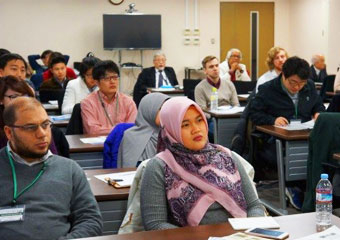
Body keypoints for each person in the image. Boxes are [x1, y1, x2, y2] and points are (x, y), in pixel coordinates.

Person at [140, 97, 265, 230]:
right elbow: (155, 224)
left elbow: (254, 206)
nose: (196, 129)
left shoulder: (226, 156)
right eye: (185, 125)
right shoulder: (159, 167)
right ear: (171, 129)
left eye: (199, 121)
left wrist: (252, 231)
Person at [0, 97, 102, 239]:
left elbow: (90, 221)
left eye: (45, 125)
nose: (42, 134)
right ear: (9, 133)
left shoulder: (69, 169)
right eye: (31, 127)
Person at [0, 75, 69, 157]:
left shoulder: (43, 125)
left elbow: (52, 159)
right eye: (14, 97)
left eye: (25, 96)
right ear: (1, 100)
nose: (22, 101)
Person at [249, 56, 324, 127]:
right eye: (293, 82)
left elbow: (318, 105)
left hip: (305, 132)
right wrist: (273, 120)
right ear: (284, 75)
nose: (297, 87)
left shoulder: (309, 85)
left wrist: (318, 113)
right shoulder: (267, 89)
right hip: (278, 134)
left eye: (302, 83)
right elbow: (254, 113)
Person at [81, 60, 137, 135]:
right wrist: (119, 130)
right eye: (107, 78)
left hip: (122, 144)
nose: (112, 81)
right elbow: (93, 130)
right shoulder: (88, 102)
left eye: (115, 77)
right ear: (97, 82)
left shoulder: (128, 102)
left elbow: (132, 128)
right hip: (98, 146)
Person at [118, 92, 169, 167]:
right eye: (162, 109)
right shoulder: (132, 137)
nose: (166, 113)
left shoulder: (172, 135)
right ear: (149, 110)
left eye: (168, 108)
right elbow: (131, 170)